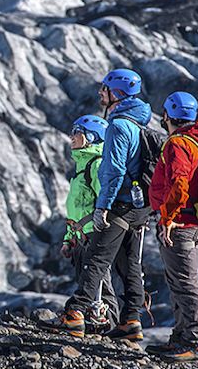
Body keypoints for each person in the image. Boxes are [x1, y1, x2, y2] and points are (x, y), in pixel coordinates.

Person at [51, 68, 151, 340]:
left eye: (104, 89)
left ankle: (75, 314)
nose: (100, 93)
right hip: (139, 209)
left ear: (116, 93)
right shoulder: (138, 125)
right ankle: (131, 321)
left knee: (95, 261)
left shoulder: (118, 126)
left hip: (118, 206)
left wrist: (102, 208)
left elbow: (114, 171)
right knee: (129, 266)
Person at [146, 91, 198, 361]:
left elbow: (180, 184)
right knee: (179, 281)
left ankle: (194, 341)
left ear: (167, 115)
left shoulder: (178, 145)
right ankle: (182, 337)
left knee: (185, 283)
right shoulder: (197, 143)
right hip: (191, 221)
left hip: (181, 223)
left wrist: (168, 218)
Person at [61, 115, 119, 331]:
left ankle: (110, 326)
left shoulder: (95, 166)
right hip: (80, 238)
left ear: (92, 137)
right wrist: (68, 239)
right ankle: (92, 324)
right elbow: (76, 209)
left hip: (93, 236)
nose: (72, 136)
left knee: (100, 284)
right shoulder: (81, 167)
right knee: (89, 284)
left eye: (77, 132)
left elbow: (104, 204)